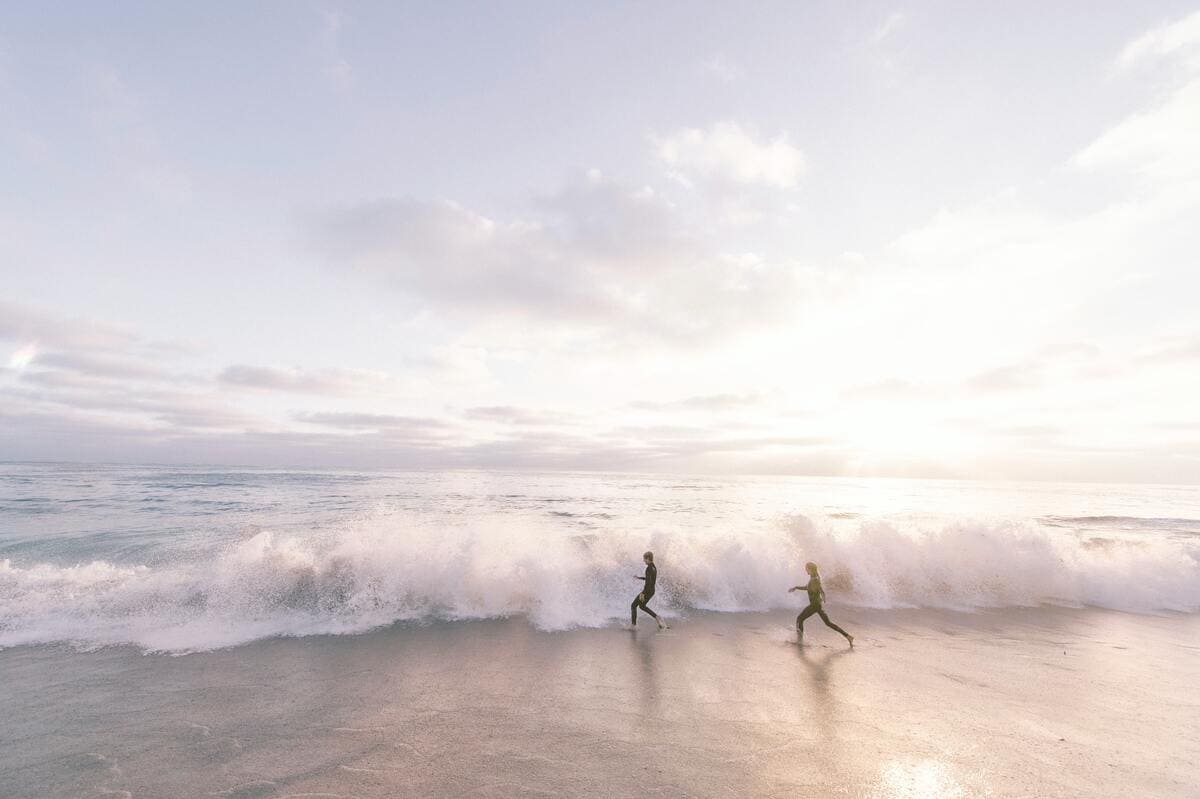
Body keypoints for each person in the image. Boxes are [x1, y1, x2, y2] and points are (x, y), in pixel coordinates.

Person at [789, 561, 853, 646]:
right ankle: (848, 636)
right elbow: (811, 588)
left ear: (810, 569)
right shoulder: (814, 578)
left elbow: (815, 588)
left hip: (814, 605)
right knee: (828, 623)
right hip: (817, 605)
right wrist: (796, 587)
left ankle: (799, 641)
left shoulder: (814, 579)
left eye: (806, 569)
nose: (805, 570)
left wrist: (821, 594)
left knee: (799, 619)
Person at [631, 551, 667, 629]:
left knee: (633, 605)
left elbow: (648, 582)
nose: (643, 561)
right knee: (642, 606)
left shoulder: (648, 568)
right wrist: (639, 578)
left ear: (648, 558)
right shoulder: (654, 567)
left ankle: (633, 626)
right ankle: (657, 617)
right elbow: (650, 580)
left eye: (644, 559)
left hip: (647, 591)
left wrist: (643, 593)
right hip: (651, 591)